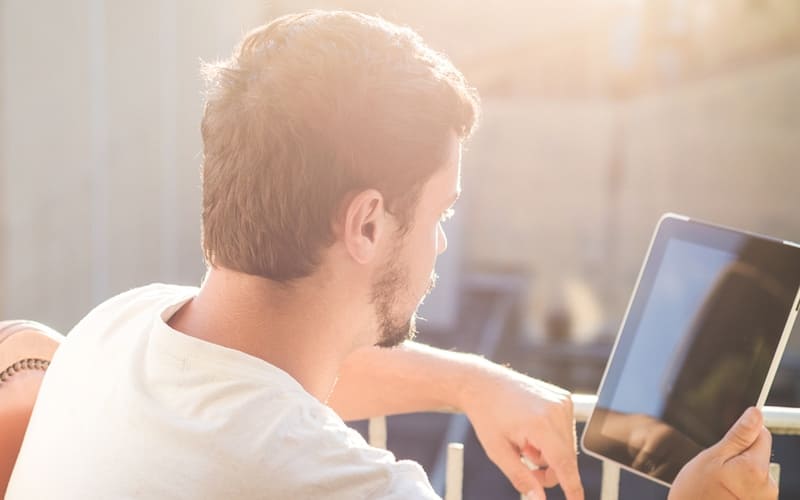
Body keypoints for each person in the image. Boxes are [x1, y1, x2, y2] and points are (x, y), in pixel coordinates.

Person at [7, 10, 777, 500]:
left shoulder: (114, 332)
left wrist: (470, 382)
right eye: (440, 211)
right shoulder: (339, 485)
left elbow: (260, 386)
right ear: (367, 225)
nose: (441, 239)